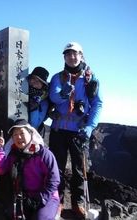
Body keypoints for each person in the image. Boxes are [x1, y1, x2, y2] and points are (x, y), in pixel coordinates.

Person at [48, 42, 103, 218]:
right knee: (57, 167)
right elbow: (53, 97)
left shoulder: (90, 78)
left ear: (81, 55)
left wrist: (90, 127)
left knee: (79, 168)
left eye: (75, 53)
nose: (72, 57)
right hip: (59, 129)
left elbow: (97, 103)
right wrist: (64, 93)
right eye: (68, 54)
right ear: (64, 57)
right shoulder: (58, 78)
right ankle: (58, 201)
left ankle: (78, 203)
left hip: (79, 130)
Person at [0, 119, 60, 220]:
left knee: (40, 218)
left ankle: (56, 211)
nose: (18, 137)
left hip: (47, 196)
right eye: (15, 134)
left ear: (31, 134)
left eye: (22, 133)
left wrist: (41, 198)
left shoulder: (43, 154)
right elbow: (0, 170)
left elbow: (54, 180)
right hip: (24, 197)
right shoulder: (14, 153)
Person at [27, 67, 50, 138]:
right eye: (33, 78)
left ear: (42, 85)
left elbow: (34, 124)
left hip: (32, 135)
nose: (35, 82)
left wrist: (34, 108)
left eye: (39, 81)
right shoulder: (22, 91)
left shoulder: (44, 102)